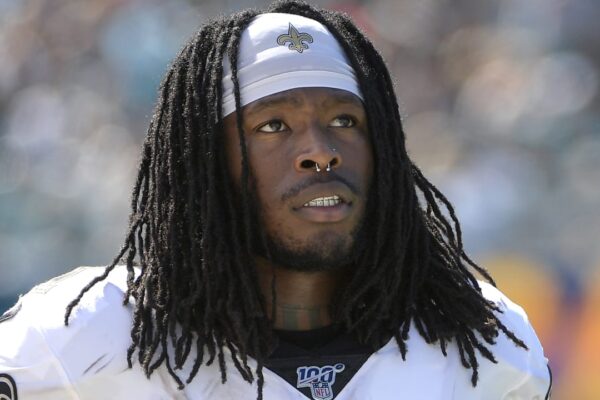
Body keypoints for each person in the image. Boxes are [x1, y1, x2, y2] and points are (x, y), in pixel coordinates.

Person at [0, 1, 551, 399]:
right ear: (206, 163)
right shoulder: (77, 341)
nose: (320, 152)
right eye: (273, 126)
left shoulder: (487, 349)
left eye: (345, 120)